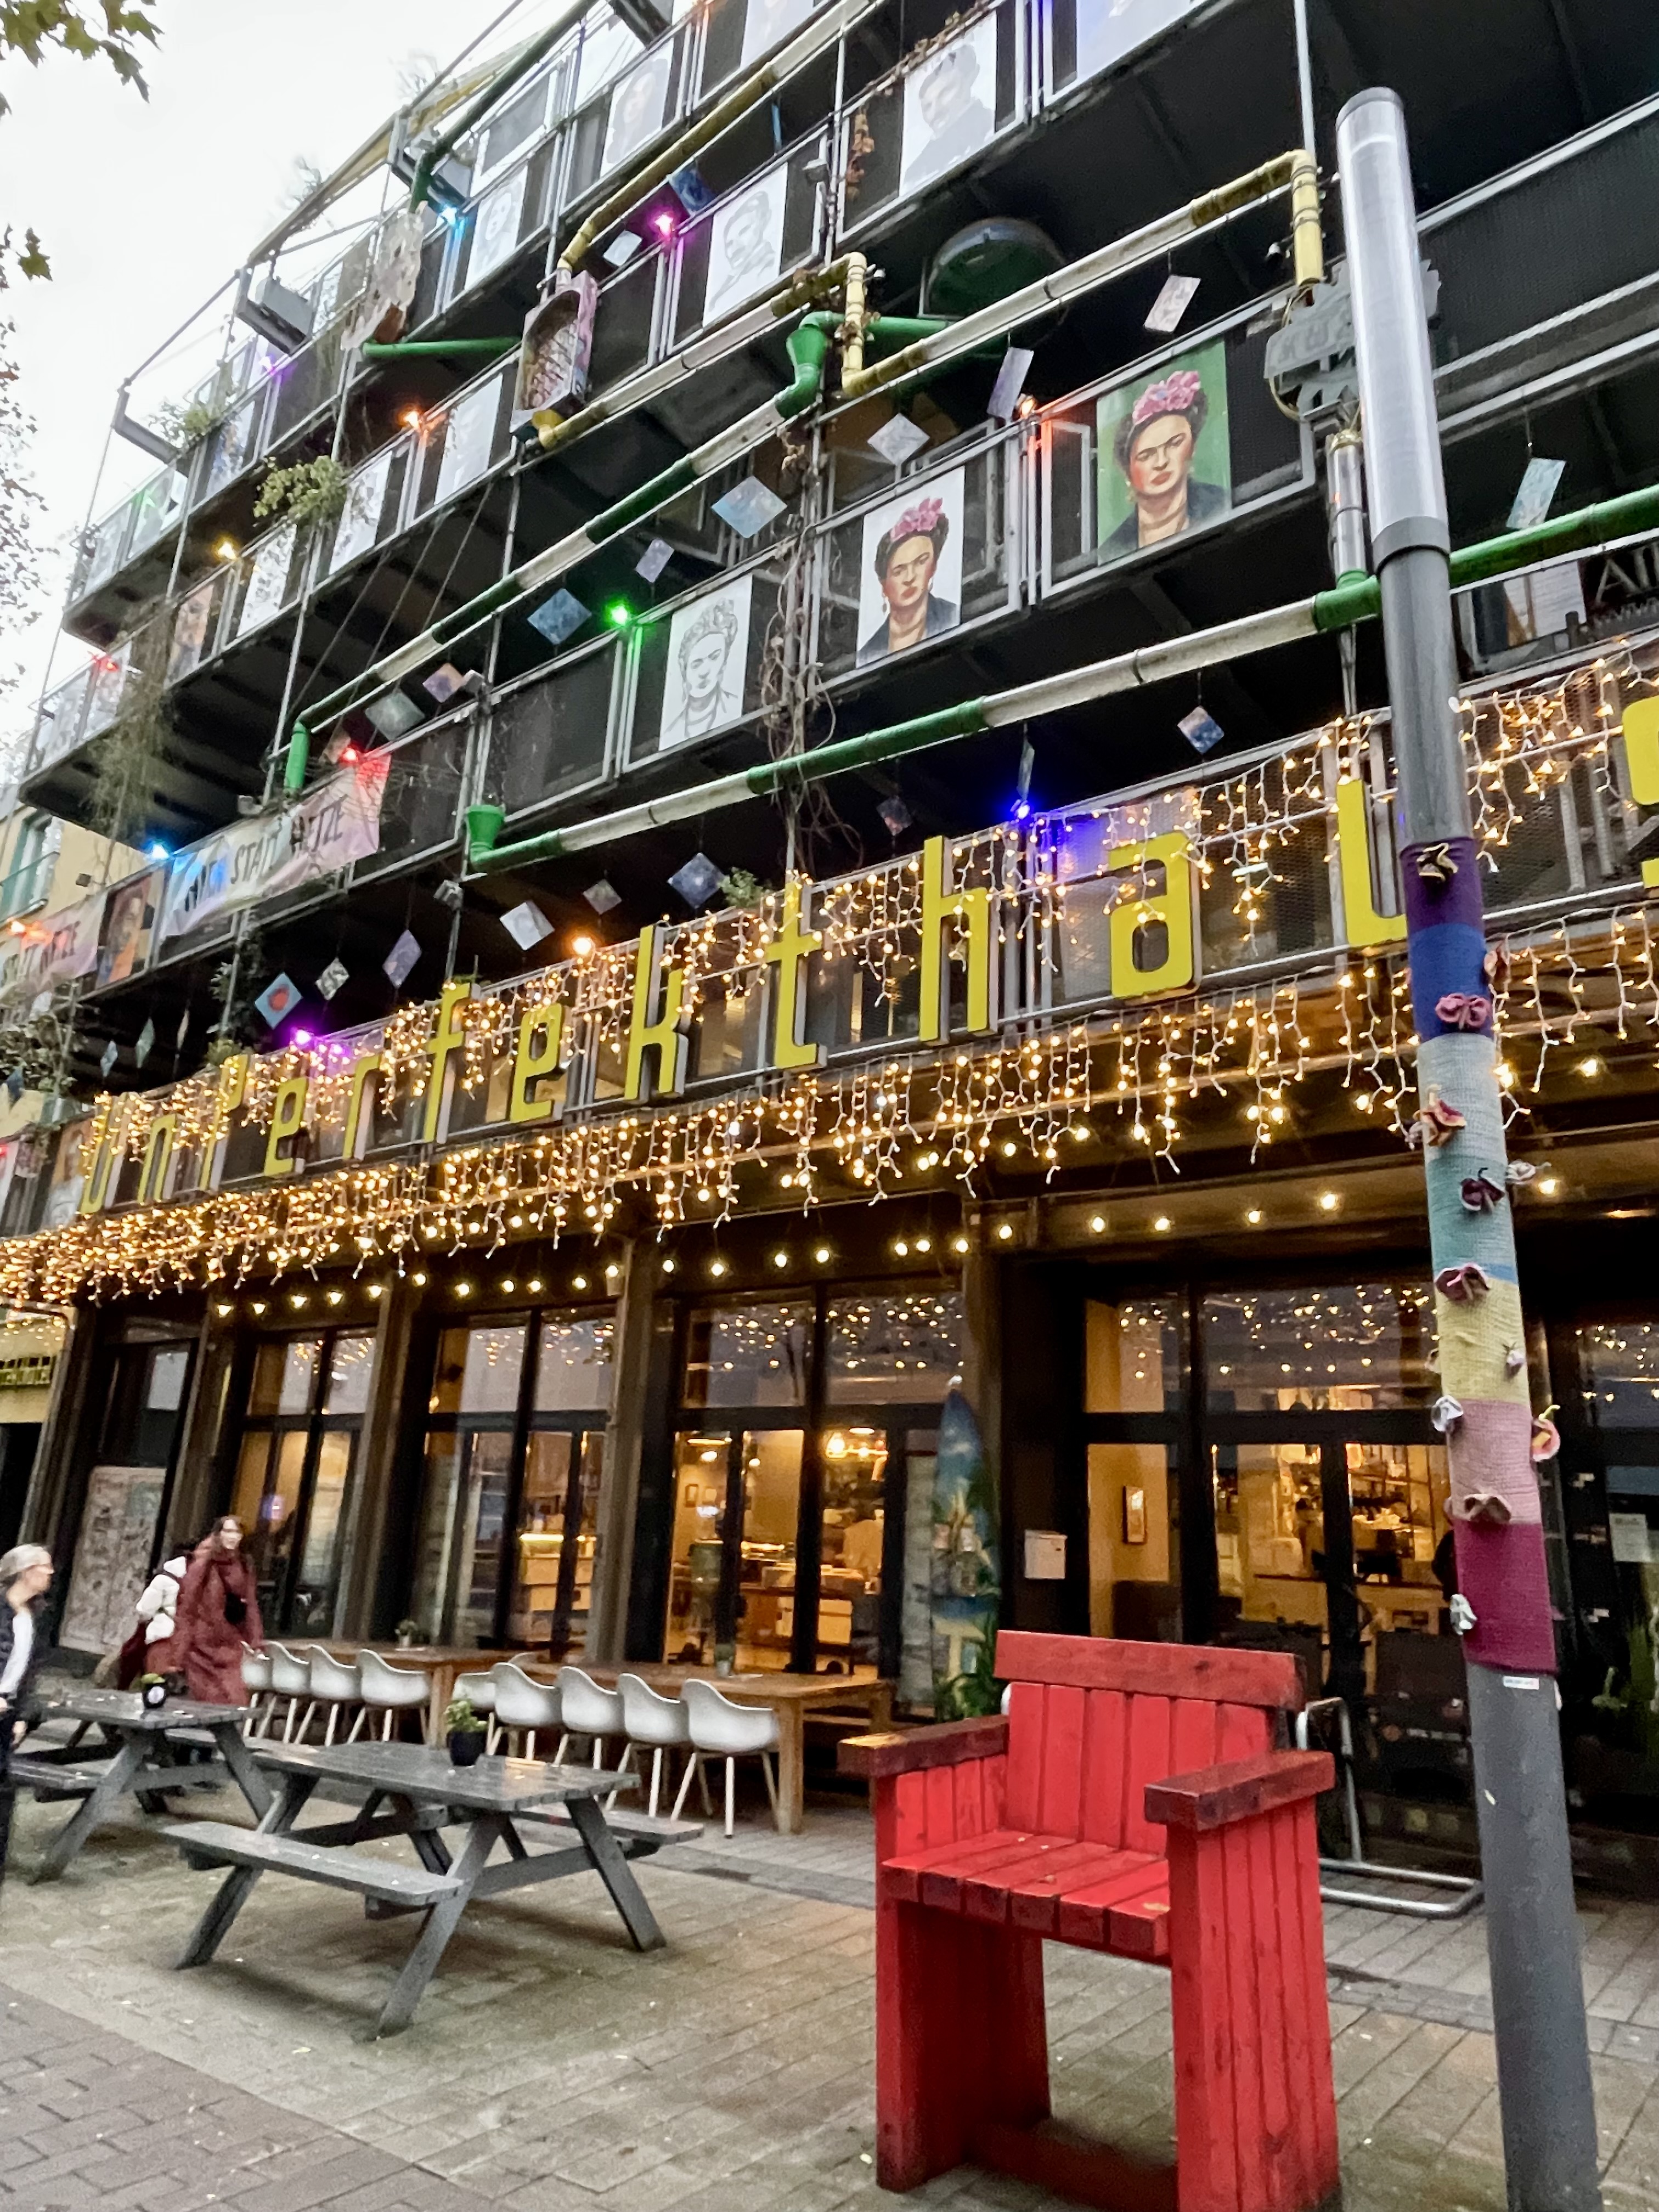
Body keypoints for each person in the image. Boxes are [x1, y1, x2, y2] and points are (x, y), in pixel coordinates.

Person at [1099, 366, 1228, 560]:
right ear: (1127, 471)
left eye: (1174, 444)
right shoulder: (1112, 551)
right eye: (1146, 455)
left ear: (1192, 447)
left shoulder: (1221, 505)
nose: (1162, 462)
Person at [0, 1544, 53, 1886]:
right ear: (25, 1571)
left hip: (7, 1712)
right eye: (45, 1567)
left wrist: (23, 1714)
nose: (51, 1573)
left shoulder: (36, 1614)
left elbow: (31, 1671)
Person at [172, 1517, 263, 1707]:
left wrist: (256, 1640)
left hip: (230, 1642)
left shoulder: (244, 1565)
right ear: (218, 1534)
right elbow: (187, 1606)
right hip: (202, 1644)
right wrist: (179, 1650)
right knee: (208, 1698)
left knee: (234, 1696)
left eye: (237, 1532)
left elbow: (251, 1605)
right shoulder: (203, 1564)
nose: (232, 1537)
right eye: (227, 1531)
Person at [857, 495, 959, 664]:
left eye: (921, 562)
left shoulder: (951, 616)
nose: (910, 578)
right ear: (884, 584)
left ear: (933, 566)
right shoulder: (869, 654)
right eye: (899, 571)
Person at [902, 33, 995, 194]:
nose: (936, 112)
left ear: (970, 78)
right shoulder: (916, 171)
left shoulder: (992, 125)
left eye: (946, 93)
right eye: (928, 107)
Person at [662, 597, 744, 746]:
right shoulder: (671, 733)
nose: (704, 672)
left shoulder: (735, 707)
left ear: (725, 661)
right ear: (684, 669)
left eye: (714, 658)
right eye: (696, 664)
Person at [114, 1548, 189, 1689]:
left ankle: (125, 1687)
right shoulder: (197, 1580)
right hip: (187, 1636)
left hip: (162, 1633)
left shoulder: (163, 1580)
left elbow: (145, 1610)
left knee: (132, 1655)